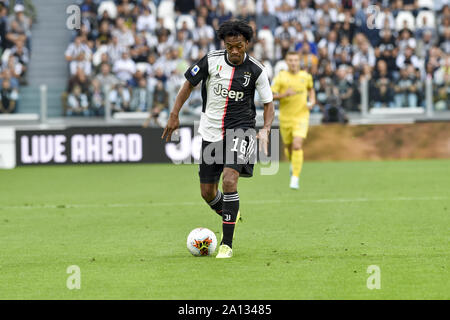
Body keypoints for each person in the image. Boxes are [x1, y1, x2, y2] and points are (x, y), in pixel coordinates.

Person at [161, 20, 274, 259]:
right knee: (207, 193)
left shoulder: (257, 70)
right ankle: (231, 211)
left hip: (241, 130)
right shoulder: (210, 60)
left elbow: (268, 103)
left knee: (230, 181)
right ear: (224, 44)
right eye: (230, 46)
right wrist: (173, 115)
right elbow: (187, 85)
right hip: (210, 132)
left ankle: (227, 244)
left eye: (239, 46)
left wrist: (265, 128)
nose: (234, 51)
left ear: (247, 44)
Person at [271, 51, 315, 190]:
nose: (293, 63)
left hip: (301, 116)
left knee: (297, 145)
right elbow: (270, 95)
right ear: (286, 61)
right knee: (289, 148)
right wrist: (284, 95)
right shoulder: (281, 77)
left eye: (296, 60)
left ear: (299, 61)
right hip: (285, 118)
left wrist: (312, 101)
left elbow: (311, 89)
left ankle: (295, 178)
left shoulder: (306, 76)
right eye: (290, 60)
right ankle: (293, 164)